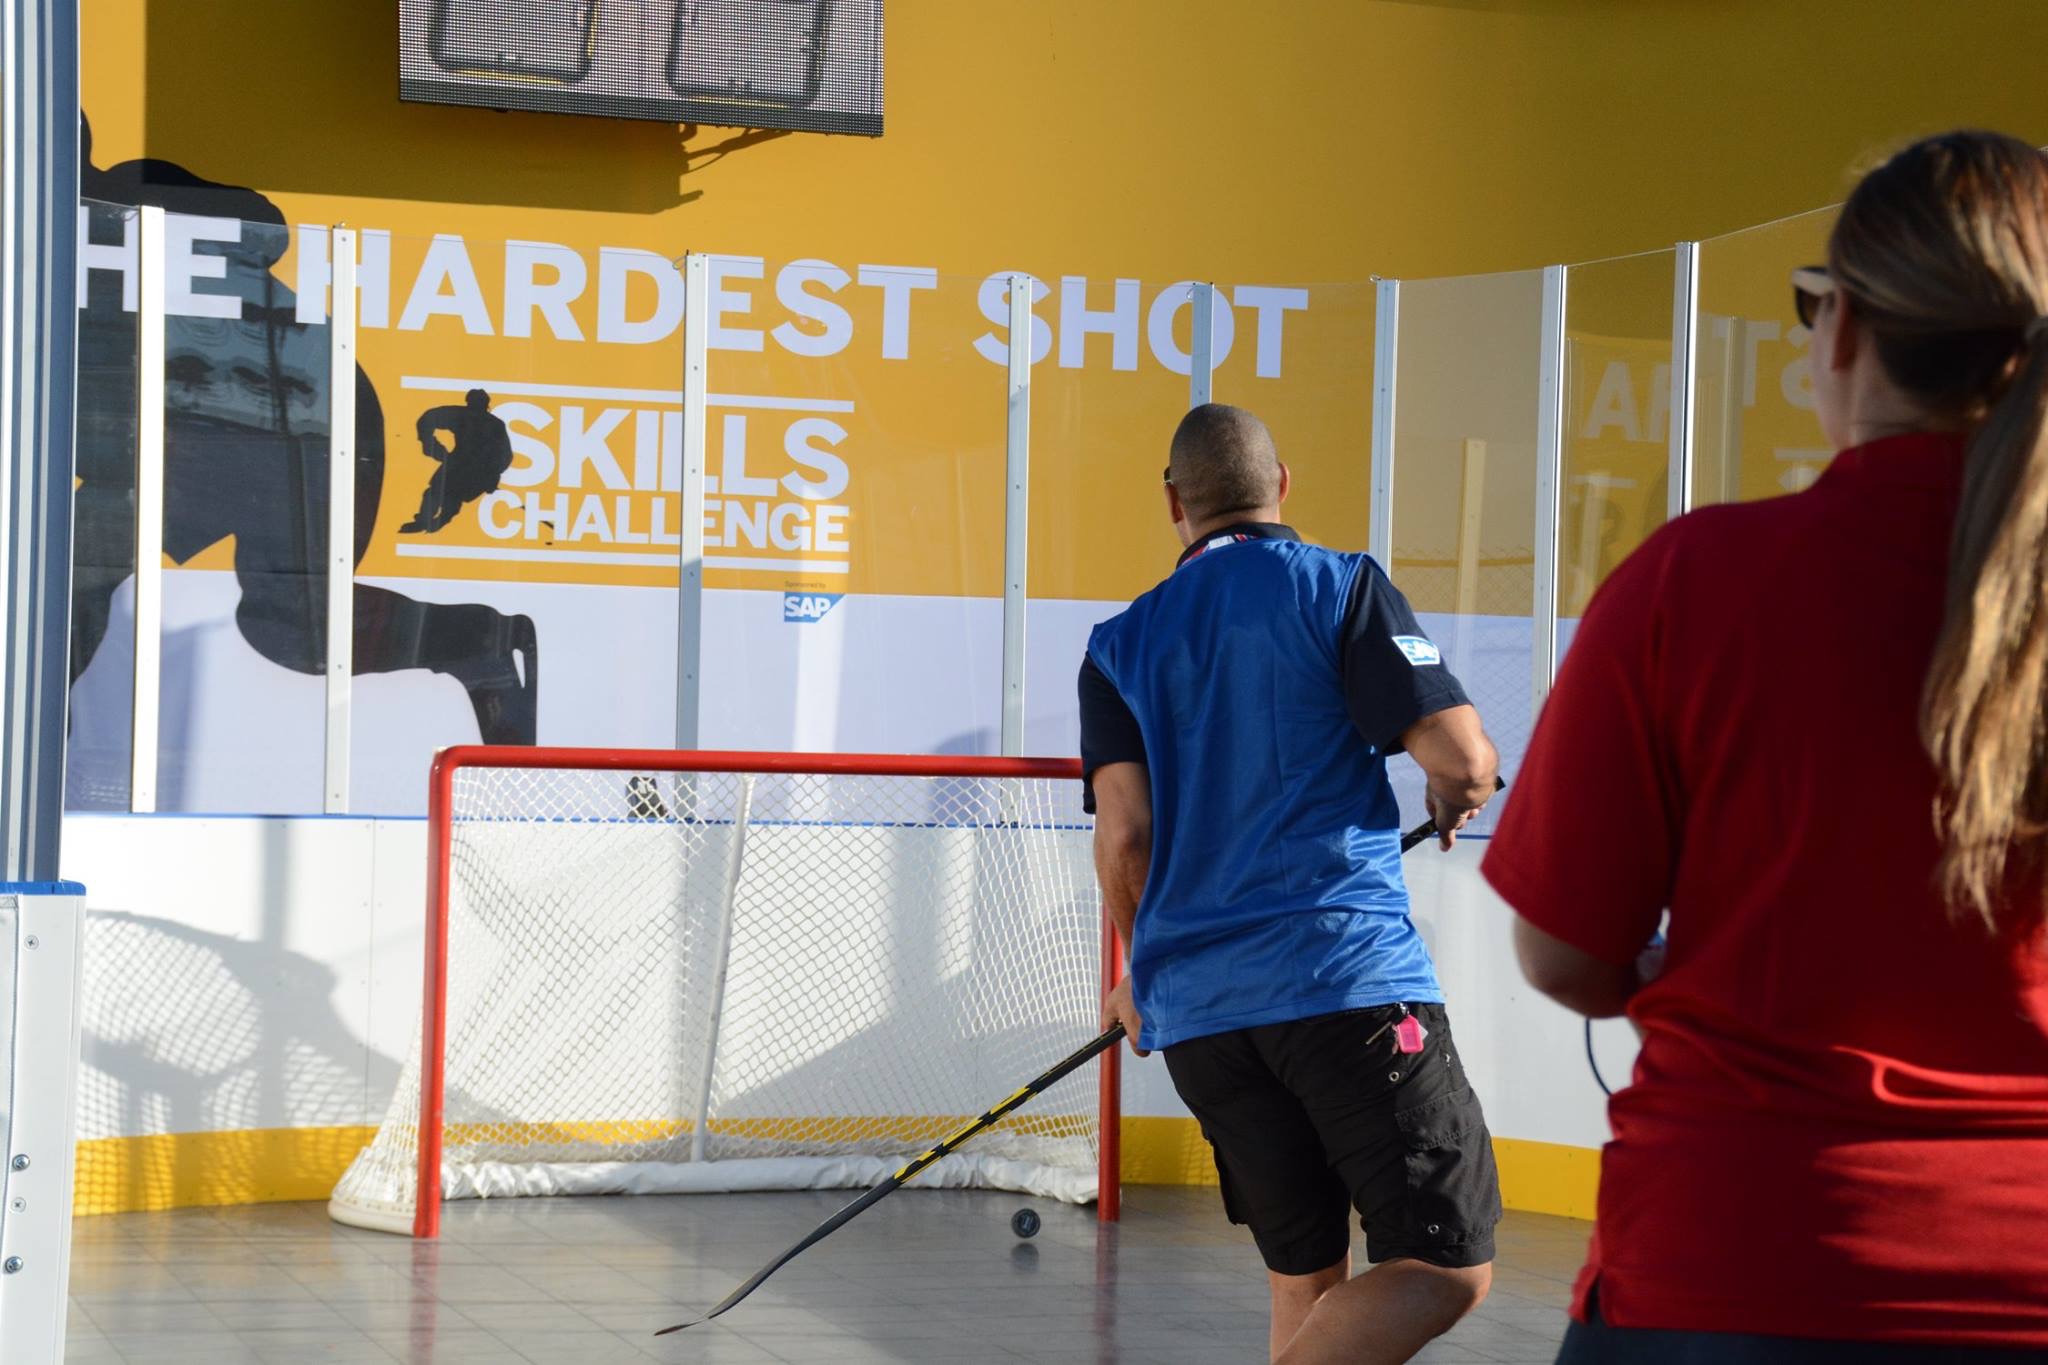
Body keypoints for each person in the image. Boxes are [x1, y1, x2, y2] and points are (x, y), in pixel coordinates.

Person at [1484, 130, 2048, 1361]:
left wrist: (1685, 972)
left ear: (1843, 329)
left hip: (1738, 1260)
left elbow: (1561, 952)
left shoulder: (1696, 584)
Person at [1084, 403, 1504, 1365]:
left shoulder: (1117, 644)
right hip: (1344, 987)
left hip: (1205, 1021)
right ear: (1281, 484)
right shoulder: (1342, 585)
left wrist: (1144, 969)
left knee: (1305, 1281)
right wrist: (1456, 795)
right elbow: (1465, 757)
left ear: (1175, 504)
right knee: (1445, 1264)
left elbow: (1126, 834)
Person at [402, 388, 516, 533]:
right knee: (436, 493)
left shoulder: (493, 424)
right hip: (458, 465)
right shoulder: (461, 415)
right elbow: (427, 419)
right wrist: (430, 445)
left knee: (450, 499)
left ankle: (436, 522)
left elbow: (505, 454)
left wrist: (493, 475)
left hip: (477, 470)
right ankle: (425, 522)